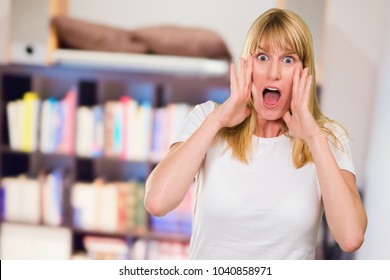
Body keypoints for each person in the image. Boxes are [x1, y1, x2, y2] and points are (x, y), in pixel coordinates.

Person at [144, 8, 367, 259]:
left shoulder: (326, 137)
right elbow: (157, 202)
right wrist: (217, 120)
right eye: (262, 57)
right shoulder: (207, 117)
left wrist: (314, 138)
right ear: (247, 65)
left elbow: (351, 237)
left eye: (288, 60)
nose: (273, 73)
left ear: (305, 72)